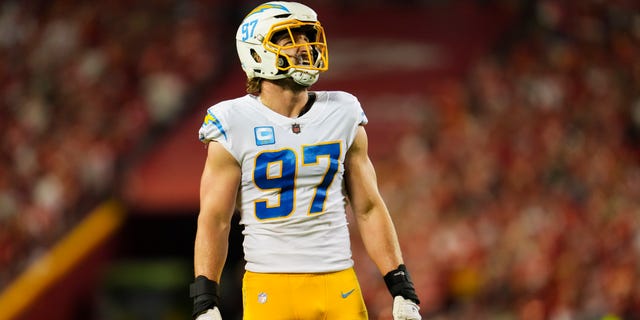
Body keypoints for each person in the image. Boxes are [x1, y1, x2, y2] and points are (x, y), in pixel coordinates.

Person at [190, 2, 421, 319]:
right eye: (289, 38)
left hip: (339, 281)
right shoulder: (233, 121)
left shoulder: (344, 111)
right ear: (256, 53)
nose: (305, 47)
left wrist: (401, 285)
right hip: (270, 286)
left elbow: (368, 207)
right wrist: (205, 297)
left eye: (307, 36)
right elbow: (215, 218)